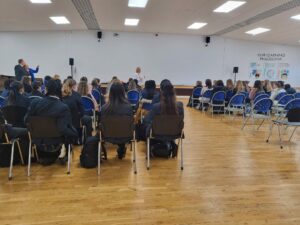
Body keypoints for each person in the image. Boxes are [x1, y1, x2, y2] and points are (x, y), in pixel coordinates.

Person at [25, 79, 78, 165]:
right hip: (56, 139)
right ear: (59, 90)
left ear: (46, 89)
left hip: (38, 140)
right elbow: (63, 128)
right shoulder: (63, 107)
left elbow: (26, 120)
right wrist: (75, 133)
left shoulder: (35, 103)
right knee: (71, 132)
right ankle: (65, 154)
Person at [143, 80, 184, 154]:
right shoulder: (180, 106)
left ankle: (154, 146)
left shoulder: (156, 106)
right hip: (174, 132)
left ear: (161, 91)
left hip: (157, 132)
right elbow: (180, 121)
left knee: (145, 124)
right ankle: (169, 143)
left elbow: (147, 120)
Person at [101, 81, 133, 159]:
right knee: (121, 127)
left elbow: (102, 123)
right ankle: (121, 148)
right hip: (126, 135)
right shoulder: (128, 107)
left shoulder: (104, 108)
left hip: (108, 135)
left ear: (110, 93)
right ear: (123, 92)